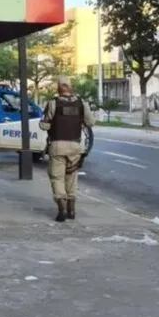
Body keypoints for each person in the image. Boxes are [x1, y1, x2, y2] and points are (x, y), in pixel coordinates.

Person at [39, 76, 95, 222]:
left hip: (57, 145)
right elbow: (91, 122)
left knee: (57, 177)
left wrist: (48, 124)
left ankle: (61, 210)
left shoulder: (53, 103)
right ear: (70, 87)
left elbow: (44, 125)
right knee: (72, 177)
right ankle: (72, 210)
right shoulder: (82, 104)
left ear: (59, 87)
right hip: (76, 146)